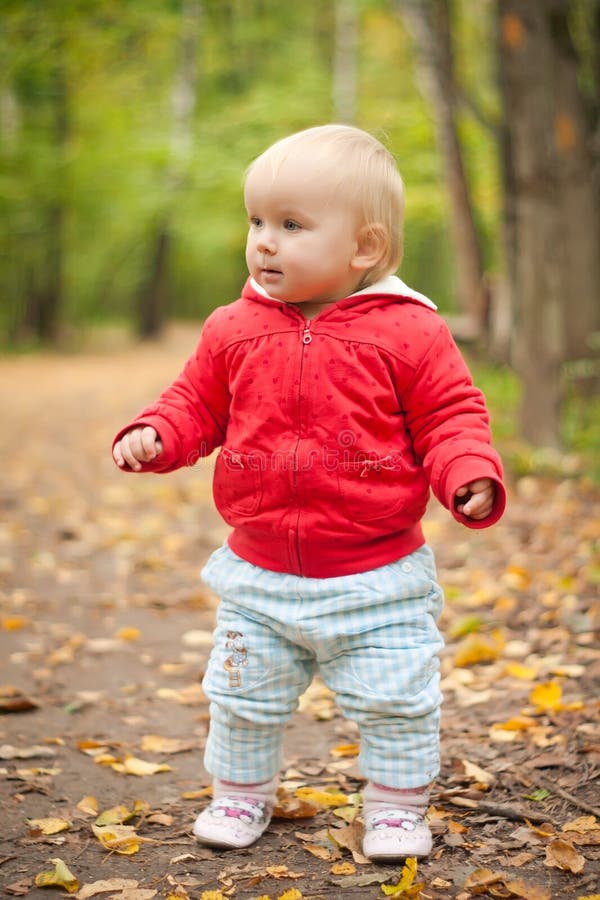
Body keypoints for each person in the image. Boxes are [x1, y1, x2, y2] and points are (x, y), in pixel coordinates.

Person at [112, 124, 506, 862]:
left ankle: (393, 809)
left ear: (364, 248)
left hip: (377, 575)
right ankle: (240, 795)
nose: (264, 241)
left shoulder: (411, 332)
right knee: (242, 698)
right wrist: (158, 434)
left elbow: (452, 416)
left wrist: (467, 475)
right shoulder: (233, 328)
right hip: (259, 572)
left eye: (291, 226)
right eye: (256, 221)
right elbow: (196, 403)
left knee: (396, 699)